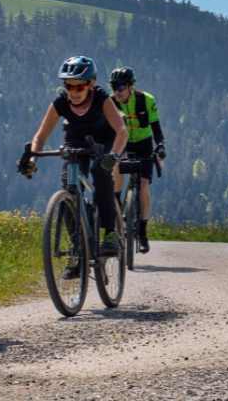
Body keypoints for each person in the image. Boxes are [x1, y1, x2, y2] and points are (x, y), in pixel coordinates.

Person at [19, 56, 128, 271]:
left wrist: (113, 156)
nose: (74, 91)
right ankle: (80, 249)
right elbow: (40, 137)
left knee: (100, 173)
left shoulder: (102, 99)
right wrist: (32, 157)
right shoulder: (60, 102)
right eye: (69, 86)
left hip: (102, 142)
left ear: (91, 84)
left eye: (80, 86)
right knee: (68, 190)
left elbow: (121, 131)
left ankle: (110, 233)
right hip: (75, 142)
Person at [108, 66, 166, 254]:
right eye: (114, 87)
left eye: (121, 87)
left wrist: (161, 145)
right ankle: (116, 210)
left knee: (143, 185)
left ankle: (142, 232)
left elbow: (156, 127)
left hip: (143, 144)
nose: (117, 91)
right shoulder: (109, 103)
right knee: (115, 170)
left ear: (131, 86)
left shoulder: (146, 100)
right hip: (122, 143)